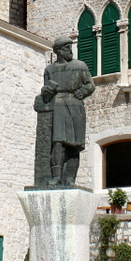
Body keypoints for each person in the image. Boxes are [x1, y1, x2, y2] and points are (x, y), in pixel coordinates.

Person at [41, 36, 95, 187]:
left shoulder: (80, 66)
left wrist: (82, 91)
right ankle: (56, 176)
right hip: (57, 106)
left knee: (74, 144)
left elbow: (90, 84)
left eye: (70, 47)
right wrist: (47, 90)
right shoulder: (49, 70)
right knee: (58, 143)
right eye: (66, 48)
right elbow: (45, 93)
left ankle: (70, 178)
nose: (70, 50)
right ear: (58, 51)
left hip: (75, 105)